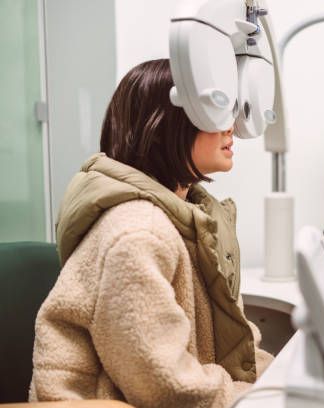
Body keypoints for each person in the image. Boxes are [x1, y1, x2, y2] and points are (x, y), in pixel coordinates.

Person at [29, 59, 273, 408]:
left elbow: (228, 351)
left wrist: (281, 382)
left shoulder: (192, 218)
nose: (231, 126)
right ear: (163, 126)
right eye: (212, 111)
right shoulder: (139, 233)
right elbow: (164, 384)